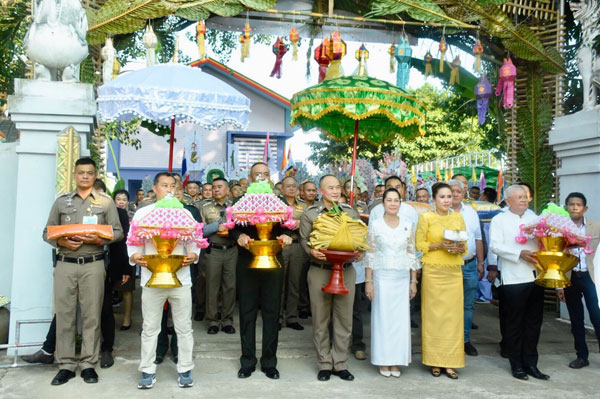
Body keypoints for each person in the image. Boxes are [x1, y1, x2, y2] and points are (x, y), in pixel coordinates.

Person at [42, 158, 123, 385]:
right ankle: (66, 364)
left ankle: (88, 364)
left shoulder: (106, 203)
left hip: (94, 264)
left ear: (95, 175)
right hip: (66, 264)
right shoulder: (61, 202)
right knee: (65, 315)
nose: (85, 176)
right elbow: (46, 233)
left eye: (89, 173)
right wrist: (62, 243)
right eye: (81, 173)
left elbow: (118, 232)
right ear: (75, 175)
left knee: (91, 316)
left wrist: (100, 238)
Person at [128, 172, 200, 389]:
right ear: (155, 189)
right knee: (150, 327)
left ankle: (185, 368)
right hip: (152, 277)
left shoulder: (185, 213)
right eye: (164, 185)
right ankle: (147, 370)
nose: (169, 190)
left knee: (184, 326)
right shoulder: (143, 214)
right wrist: (134, 256)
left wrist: (195, 255)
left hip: (181, 277)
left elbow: (195, 241)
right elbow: (132, 242)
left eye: (172, 186)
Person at [229, 162, 293, 380]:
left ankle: (269, 362)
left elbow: (288, 225)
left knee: (272, 312)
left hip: (273, 261)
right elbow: (231, 226)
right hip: (247, 261)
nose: (261, 178)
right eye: (257, 174)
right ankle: (247, 361)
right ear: (249, 177)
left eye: (265, 174)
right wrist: (239, 236)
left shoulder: (279, 202)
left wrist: (286, 235)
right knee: (246, 312)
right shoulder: (240, 202)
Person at [300, 175, 362, 382]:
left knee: (344, 318)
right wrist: (311, 252)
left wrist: (360, 251)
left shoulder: (350, 212)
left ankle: (341, 363)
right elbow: (304, 240)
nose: (335, 191)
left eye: (338, 187)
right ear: (321, 190)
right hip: (320, 270)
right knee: (320, 318)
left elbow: (358, 238)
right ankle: (325, 363)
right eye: (331, 188)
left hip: (346, 270)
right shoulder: (311, 214)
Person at [489, 185, 547, 381]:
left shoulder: (535, 218)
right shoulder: (499, 220)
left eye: (525, 197)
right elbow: (495, 246)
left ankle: (531, 363)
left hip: (535, 275)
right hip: (513, 277)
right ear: (508, 201)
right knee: (514, 323)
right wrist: (519, 254)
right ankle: (516, 365)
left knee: (534, 322)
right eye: (519, 197)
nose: (524, 200)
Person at [364, 188, 419, 378]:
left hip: (402, 277)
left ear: (401, 203)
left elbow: (411, 253)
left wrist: (414, 281)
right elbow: (370, 254)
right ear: (383, 203)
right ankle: (383, 360)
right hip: (382, 277)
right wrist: (369, 281)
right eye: (389, 200)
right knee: (382, 320)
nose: (393, 203)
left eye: (396, 200)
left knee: (400, 321)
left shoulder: (408, 224)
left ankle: (396, 361)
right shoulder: (376, 225)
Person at [415, 182, 466, 379]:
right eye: (442, 197)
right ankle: (434, 361)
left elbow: (465, 243)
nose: (446, 200)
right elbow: (419, 244)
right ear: (434, 199)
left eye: (449, 197)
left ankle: (451, 363)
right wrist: (439, 245)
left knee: (453, 318)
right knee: (433, 316)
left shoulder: (458, 217)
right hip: (433, 270)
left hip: (453, 271)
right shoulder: (425, 218)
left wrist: (459, 248)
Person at [556, 192, 600, 369]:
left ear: (585, 208)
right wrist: (559, 285)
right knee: (576, 319)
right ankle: (582, 356)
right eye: (571, 204)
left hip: (590, 277)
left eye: (579, 204)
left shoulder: (596, 227)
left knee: (597, 316)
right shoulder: (559, 229)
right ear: (566, 207)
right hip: (571, 277)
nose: (575, 207)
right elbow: (557, 259)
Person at [448, 180, 484, 357]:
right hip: (447, 265)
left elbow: (478, 238)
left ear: (464, 193)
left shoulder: (470, 212)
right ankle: (448, 340)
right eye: (451, 191)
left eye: (459, 191)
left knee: (467, 305)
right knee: (447, 305)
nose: (455, 194)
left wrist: (481, 262)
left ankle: (465, 340)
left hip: (468, 265)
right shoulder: (439, 213)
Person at [200, 178, 237, 334]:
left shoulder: (235, 207)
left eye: (220, 187)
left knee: (230, 286)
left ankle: (227, 320)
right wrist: (217, 226)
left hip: (231, 250)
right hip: (213, 250)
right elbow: (199, 231)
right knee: (212, 286)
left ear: (227, 190)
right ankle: (212, 321)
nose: (216, 190)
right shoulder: (205, 207)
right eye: (214, 187)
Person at [279, 176, 307, 330]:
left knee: (295, 283)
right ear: (282, 189)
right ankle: (277, 317)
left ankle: (291, 317)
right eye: (287, 186)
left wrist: (300, 224)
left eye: (294, 186)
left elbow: (311, 222)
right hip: (281, 245)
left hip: (297, 245)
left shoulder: (303, 206)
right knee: (279, 283)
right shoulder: (276, 204)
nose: (291, 188)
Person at [111, 190, 134, 332]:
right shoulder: (110, 214)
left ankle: (127, 318)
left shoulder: (133, 216)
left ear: (128, 202)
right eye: (118, 199)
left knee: (126, 289)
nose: (121, 201)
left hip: (127, 255)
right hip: (113, 255)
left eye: (124, 199)